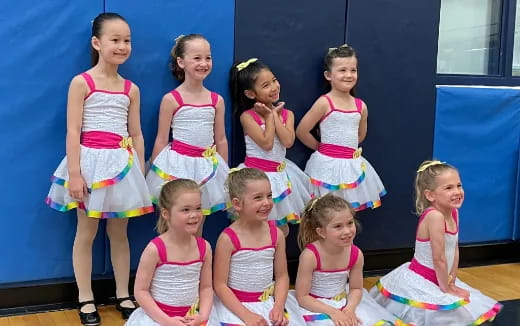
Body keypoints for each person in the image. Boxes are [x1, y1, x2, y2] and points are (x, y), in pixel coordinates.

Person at [45, 12, 152, 325]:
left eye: (127, 40)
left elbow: (136, 133)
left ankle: (123, 293)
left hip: (122, 166)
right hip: (90, 166)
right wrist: (76, 174)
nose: (122, 46)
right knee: (86, 232)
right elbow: (72, 131)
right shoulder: (82, 82)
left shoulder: (130, 88)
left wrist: (141, 171)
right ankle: (85, 297)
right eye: (115, 40)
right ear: (97, 42)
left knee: (120, 234)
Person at [369, 160, 502, 325]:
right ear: (430, 195)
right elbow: (438, 258)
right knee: (439, 312)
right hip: (423, 276)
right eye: (448, 188)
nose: (457, 192)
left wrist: (452, 280)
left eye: (459, 185)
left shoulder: (453, 212)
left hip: (441, 275)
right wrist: (446, 289)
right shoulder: (435, 216)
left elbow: (454, 250)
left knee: (465, 307)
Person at [146, 34, 229, 236]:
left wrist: (224, 173)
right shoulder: (171, 99)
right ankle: (169, 262)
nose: (203, 63)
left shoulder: (216, 100)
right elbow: (161, 138)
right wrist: (156, 172)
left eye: (208, 58)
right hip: (177, 166)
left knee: (197, 221)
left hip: (207, 168)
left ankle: (194, 262)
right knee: (172, 220)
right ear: (181, 62)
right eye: (197, 58)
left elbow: (220, 139)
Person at [293, 194, 407, 326]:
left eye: (350, 223)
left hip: (345, 303)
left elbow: (356, 288)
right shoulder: (310, 256)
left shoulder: (356, 254)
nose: (347, 231)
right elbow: (302, 297)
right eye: (338, 226)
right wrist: (334, 312)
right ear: (322, 232)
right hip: (315, 306)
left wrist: (350, 309)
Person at [295, 45, 385, 211]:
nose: (349, 75)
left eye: (353, 70)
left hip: (351, 166)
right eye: (342, 70)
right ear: (328, 75)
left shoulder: (361, 106)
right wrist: (321, 148)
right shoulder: (324, 102)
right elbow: (302, 131)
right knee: (325, 211)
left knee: (347, 211)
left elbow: (360, 135)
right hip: (327, 166)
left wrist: (346, 152)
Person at [229, 58, 312, 236]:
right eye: (266, 85)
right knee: (256, 228)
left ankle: (277, 262)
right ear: (251, 94)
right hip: (257, 176)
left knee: (281, 230)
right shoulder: (247, 117)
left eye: (274, 80)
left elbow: (288, 141)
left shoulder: (287, 114)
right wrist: (268, 117)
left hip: (280, 176)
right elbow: (266, 144)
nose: (274, 87)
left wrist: (274, 115)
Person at [209, 168, 301, 326]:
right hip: (236, 307)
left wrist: (278, 307)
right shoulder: (228, 239)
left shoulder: (276, 235)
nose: (266, 202)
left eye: (269, 196)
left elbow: (282, 277)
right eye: (258, 198)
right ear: (237, 204)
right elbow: (220, 285)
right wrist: (246, 315)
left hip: (269, 304)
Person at [126, 179, 212, 326]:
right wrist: (167, 321)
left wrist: (202, 316)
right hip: (159, 319)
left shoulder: (204, 247)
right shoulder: (155, 249)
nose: (194, 215)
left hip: (192, 319)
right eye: (186, 210)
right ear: (166, 213)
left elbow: (206, 287)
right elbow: (140, 292)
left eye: (198, 208)